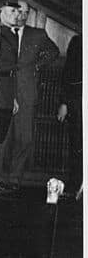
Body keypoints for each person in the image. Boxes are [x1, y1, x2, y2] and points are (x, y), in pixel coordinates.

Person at [0, 0, 60, 192]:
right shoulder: (0, 32)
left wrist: (35, 67)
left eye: (25, 12)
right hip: (5, 92)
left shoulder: (37, 34)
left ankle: (14, 180)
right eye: (17, 11)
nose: (21, 15)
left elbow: (53, 52)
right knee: (3, 138)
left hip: (26, 94)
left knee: (25, 138)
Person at [56, 34, 81, 193]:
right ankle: (76, 187)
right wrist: (64, 103)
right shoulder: (78, 41)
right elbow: (69, 74)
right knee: (78, 146)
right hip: (79, 102)